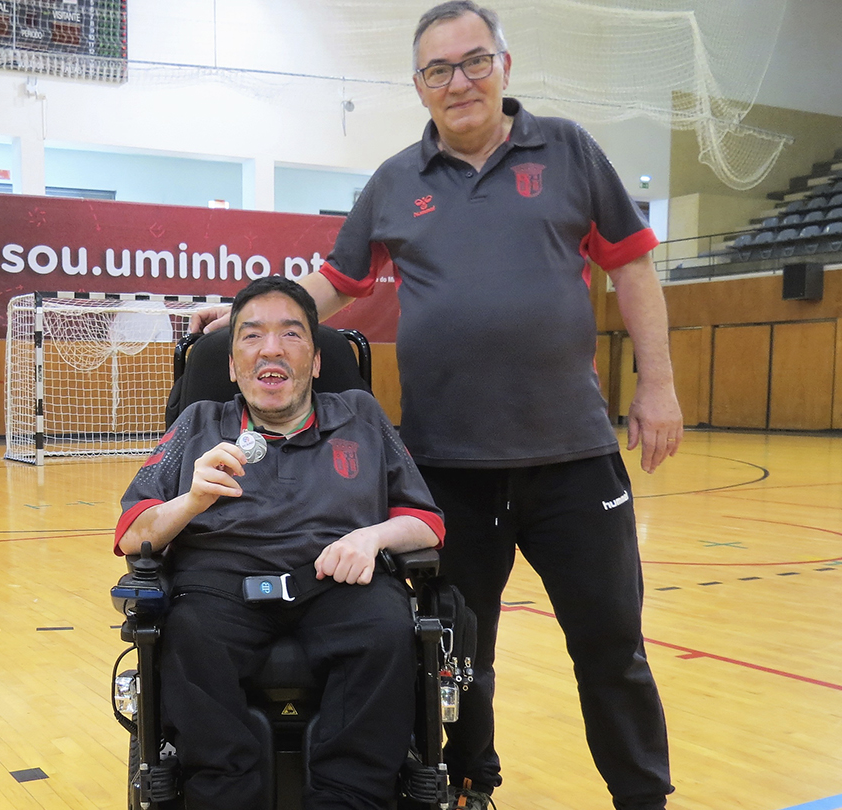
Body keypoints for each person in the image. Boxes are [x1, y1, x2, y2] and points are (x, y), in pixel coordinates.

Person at [189, 3, 683, 809]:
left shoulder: (569, 150)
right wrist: (253, 312)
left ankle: (643, 799)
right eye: (439, 70)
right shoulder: (395, 181)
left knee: (611, 651)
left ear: (504, 66)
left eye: (475, 61)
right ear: (418, 85)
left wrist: (657, 386)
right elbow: (337, 283)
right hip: (447, 469)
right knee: (459, 655)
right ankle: (471, 784)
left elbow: (631, 266)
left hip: (574, 461)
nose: (460, 82)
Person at [116, 276, 445, 810]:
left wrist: (373, 537)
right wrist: (191, 501)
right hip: (220, 585)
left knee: (387, 629)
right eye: (251, 335)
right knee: (189, 634)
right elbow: (134, 533)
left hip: (338, 578)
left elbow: (426, 522)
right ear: (231, 365)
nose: (271, 348)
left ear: (315, 361)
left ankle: (348, 799)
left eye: (291, 334)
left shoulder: (361, 416)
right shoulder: (199, 423)